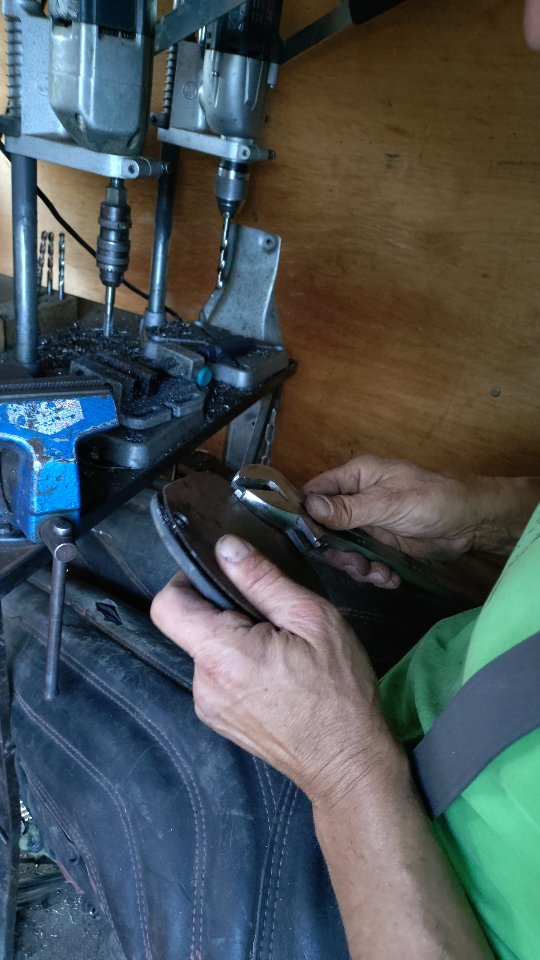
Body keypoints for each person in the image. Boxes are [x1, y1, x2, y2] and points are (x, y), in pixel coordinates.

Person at [151, 13, 540, 952]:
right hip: (434, 700)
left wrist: (343, 768)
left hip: (406, 893)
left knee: (106, 692)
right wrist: (484, 522)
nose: (530, 27)